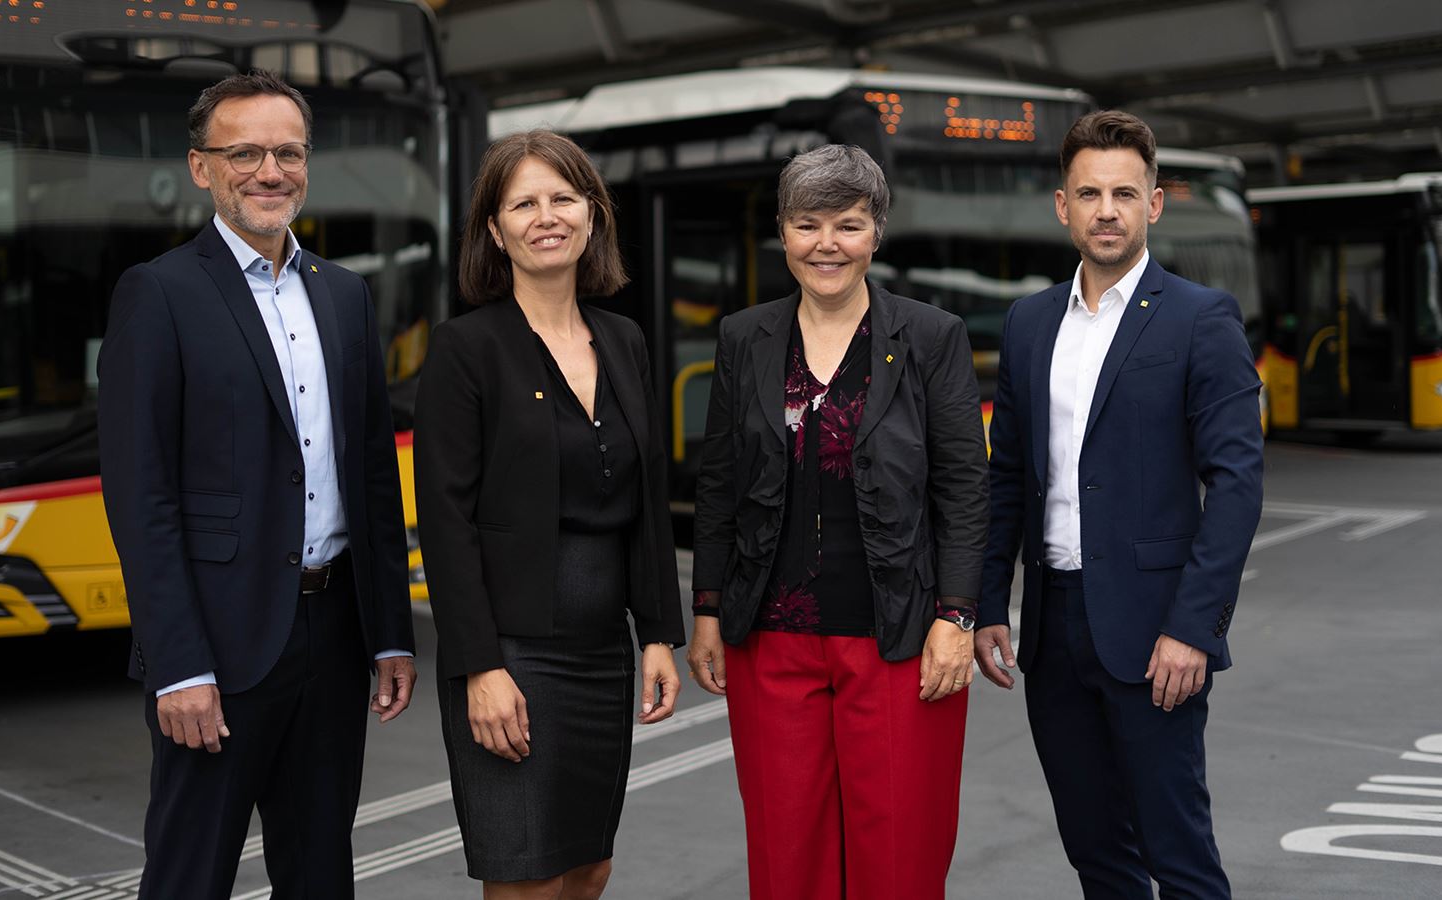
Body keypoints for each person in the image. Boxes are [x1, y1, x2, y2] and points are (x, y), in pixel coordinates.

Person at [98, 70, 416, 899]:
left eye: (287, 151)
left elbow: (372, 479)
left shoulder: (343, 295)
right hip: (219, 647)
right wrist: (177, 666)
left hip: (336, 635)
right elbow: (142, 499)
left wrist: (389, 632)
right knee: (190, 875)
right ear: (201, 167)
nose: (269, 171)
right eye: (244, 152)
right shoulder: (159, 293)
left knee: (319, 874)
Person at [686, 144, 989, 900]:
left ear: (877, 232)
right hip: (772, 639)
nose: (827, 244)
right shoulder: (742, 338)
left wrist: (957, 613)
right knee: (789, 861)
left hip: (900, 637)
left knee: (900, 862)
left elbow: (963, 486)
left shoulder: (931, 336)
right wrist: (707, 610)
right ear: (783, 234)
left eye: (848, 225)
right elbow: (718, 484)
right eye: (808, 223)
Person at [975, 110, 1264, 899]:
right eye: (1090, 193)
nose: (1108, 209)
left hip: (1154, 632)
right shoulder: (1030, 323)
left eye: (1125, 194)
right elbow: (1009, 476)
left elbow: (1237, 485)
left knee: (1180, 858)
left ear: (1155, 205)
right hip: (1053, 630)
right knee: (1096, 855)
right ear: (1061, 206)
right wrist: (989, 599)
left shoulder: (1202, 319)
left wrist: (1191, 628)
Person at [413, 129, 685, 900]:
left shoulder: (624, 340)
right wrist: (480, 667)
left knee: (589, 868)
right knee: (528, 878)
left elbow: (646, 501)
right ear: (494, 231)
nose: (547, 216)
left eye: (563, 198)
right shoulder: (466, 349)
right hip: (513, 655)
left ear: (592, 215)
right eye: (523, 203)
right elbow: (445, 521)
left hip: (603, 656)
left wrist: (657, 632)